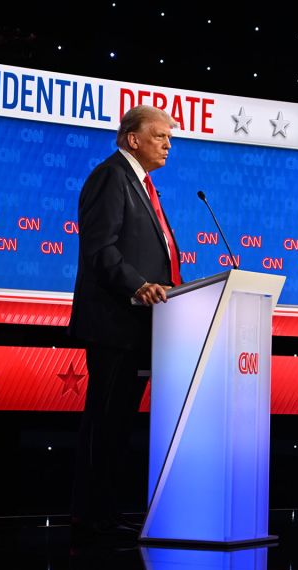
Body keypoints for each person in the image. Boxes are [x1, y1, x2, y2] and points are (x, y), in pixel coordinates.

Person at [68, 105, 183, 539]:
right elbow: (100, 249)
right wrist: (140, 285)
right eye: (160, 136)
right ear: (133, 139)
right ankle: (90, 514)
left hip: (140, 326)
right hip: (113, 324)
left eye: (170, 137)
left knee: (119, 424)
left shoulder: (142, 185)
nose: (168, 144)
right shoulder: (111, 176)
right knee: (104, 419)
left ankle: (107, 511)